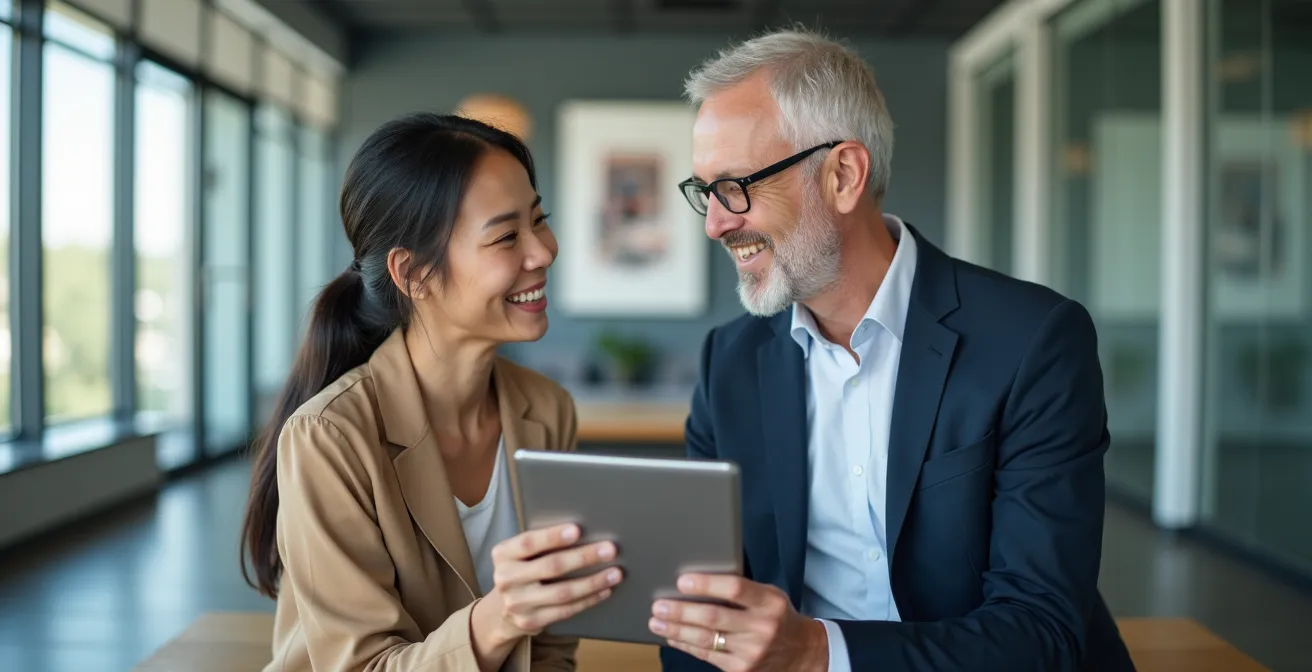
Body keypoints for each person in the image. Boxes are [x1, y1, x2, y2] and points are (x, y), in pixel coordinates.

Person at [651, 29, 1136, 672]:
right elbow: (702, 611)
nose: (715, 223)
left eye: (736, 186)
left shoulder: (1035, 341)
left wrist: (817, 652)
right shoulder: (730, 361)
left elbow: (1041, 632)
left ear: (843, 175)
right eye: (705, 192)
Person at [240, 113, 622, 672]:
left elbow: (552, 645)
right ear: (414, 274)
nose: (543, 251)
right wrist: (502, 616)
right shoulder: (329, 437)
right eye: (506, 236)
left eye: (539, 221)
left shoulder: (547, 409)